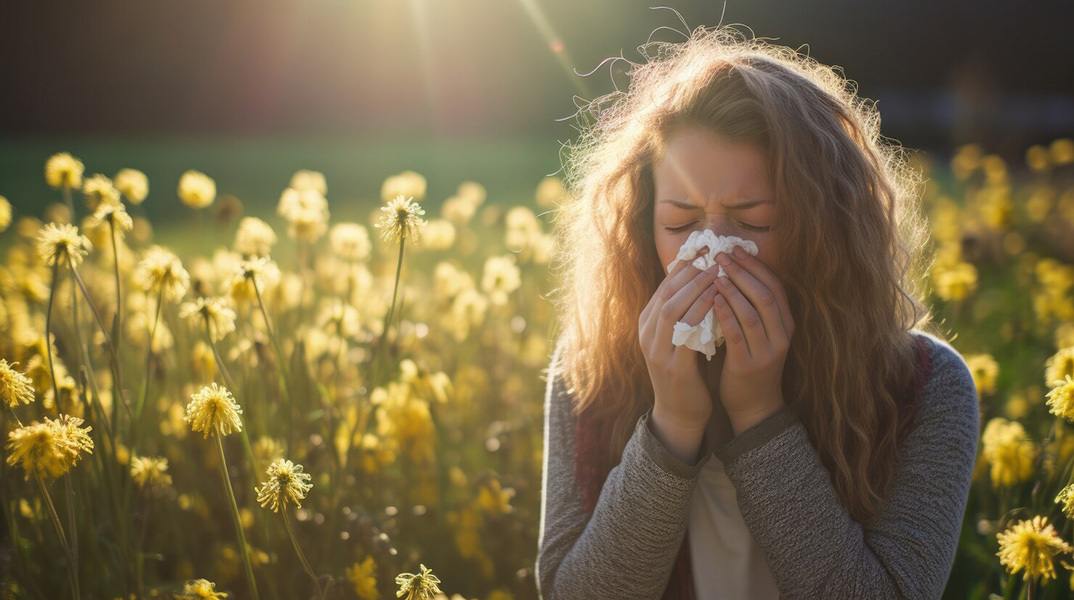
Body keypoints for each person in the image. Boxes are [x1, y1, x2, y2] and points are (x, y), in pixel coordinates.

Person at [535, 23, 980, 600]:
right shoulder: (590, 369)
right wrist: (672, 427)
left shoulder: (926, 389)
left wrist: (760, 416)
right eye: (679, 223)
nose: (712, 256)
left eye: (754, 223)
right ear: (645, 225)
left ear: (827, 230)